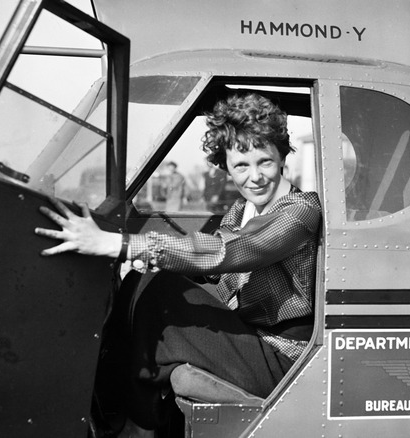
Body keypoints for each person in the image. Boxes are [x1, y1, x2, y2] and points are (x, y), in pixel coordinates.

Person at [35, 93, 321, 437]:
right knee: (146, 280)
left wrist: (119, 245)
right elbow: (208, 268)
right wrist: (141, 261)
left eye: (265, 162)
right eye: (241, 166)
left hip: (285, 360)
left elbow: (229, 251)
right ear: (226, 166)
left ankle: (132, 424)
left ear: (283, 157)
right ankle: (119, 413)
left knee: (161, 291)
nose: (255, 177)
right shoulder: (241, 210)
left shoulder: (300, 211)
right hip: (251, 339)